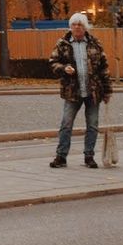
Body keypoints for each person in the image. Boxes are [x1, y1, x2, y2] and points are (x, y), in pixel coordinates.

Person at [48, 12, 113, 168]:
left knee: (92, 125)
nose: (77, 27)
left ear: (85, 27)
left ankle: (89, 156)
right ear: (70, 26)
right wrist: (64, 68)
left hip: (93, 91)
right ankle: (61, 156)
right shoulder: (62, 43)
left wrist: (107, 91)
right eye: (74, 24)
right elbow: (52, 63)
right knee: (66, 124)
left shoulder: (95, 43)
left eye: (80, 24)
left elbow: (104, 68)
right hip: (72, 92)